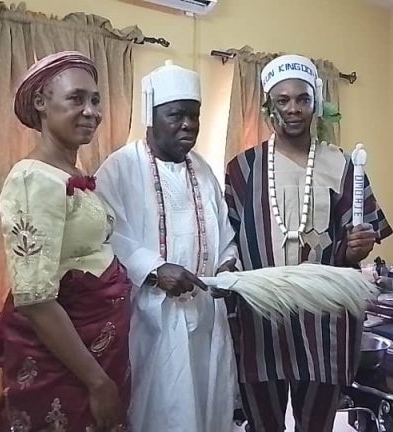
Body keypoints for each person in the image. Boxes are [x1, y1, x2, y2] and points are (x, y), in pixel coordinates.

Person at [224, 54, 393, 432]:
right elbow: (227, 243)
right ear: (268, 107)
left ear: (316, 103)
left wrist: (357, 247)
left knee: (316, 425)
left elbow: (355, 242)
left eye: (302, 99)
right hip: (261, 319)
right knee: (263, 425)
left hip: (324, 322)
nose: (293, 109)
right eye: (282, 100)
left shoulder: (343, 165)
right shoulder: (242, 169)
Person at [0, 51, 131, 432]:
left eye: (95, 100)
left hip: (94, 353)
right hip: (66, 366)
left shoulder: (70, 173)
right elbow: (35, 299)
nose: (91, 111)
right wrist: (97, 382)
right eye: (76, 98)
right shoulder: (32, 180)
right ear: (41, 103)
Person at [96, 60, 238, 432]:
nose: (188, 124)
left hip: (205, 317)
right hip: (149, 320)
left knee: (206, 408)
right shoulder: (118, 169)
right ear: (152, 116)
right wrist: (155, 269)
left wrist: (226, 267)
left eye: (194, 115)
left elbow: (225, 234)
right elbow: (104, 235)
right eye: (176, 115)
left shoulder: (203, 171)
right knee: (158, 411)